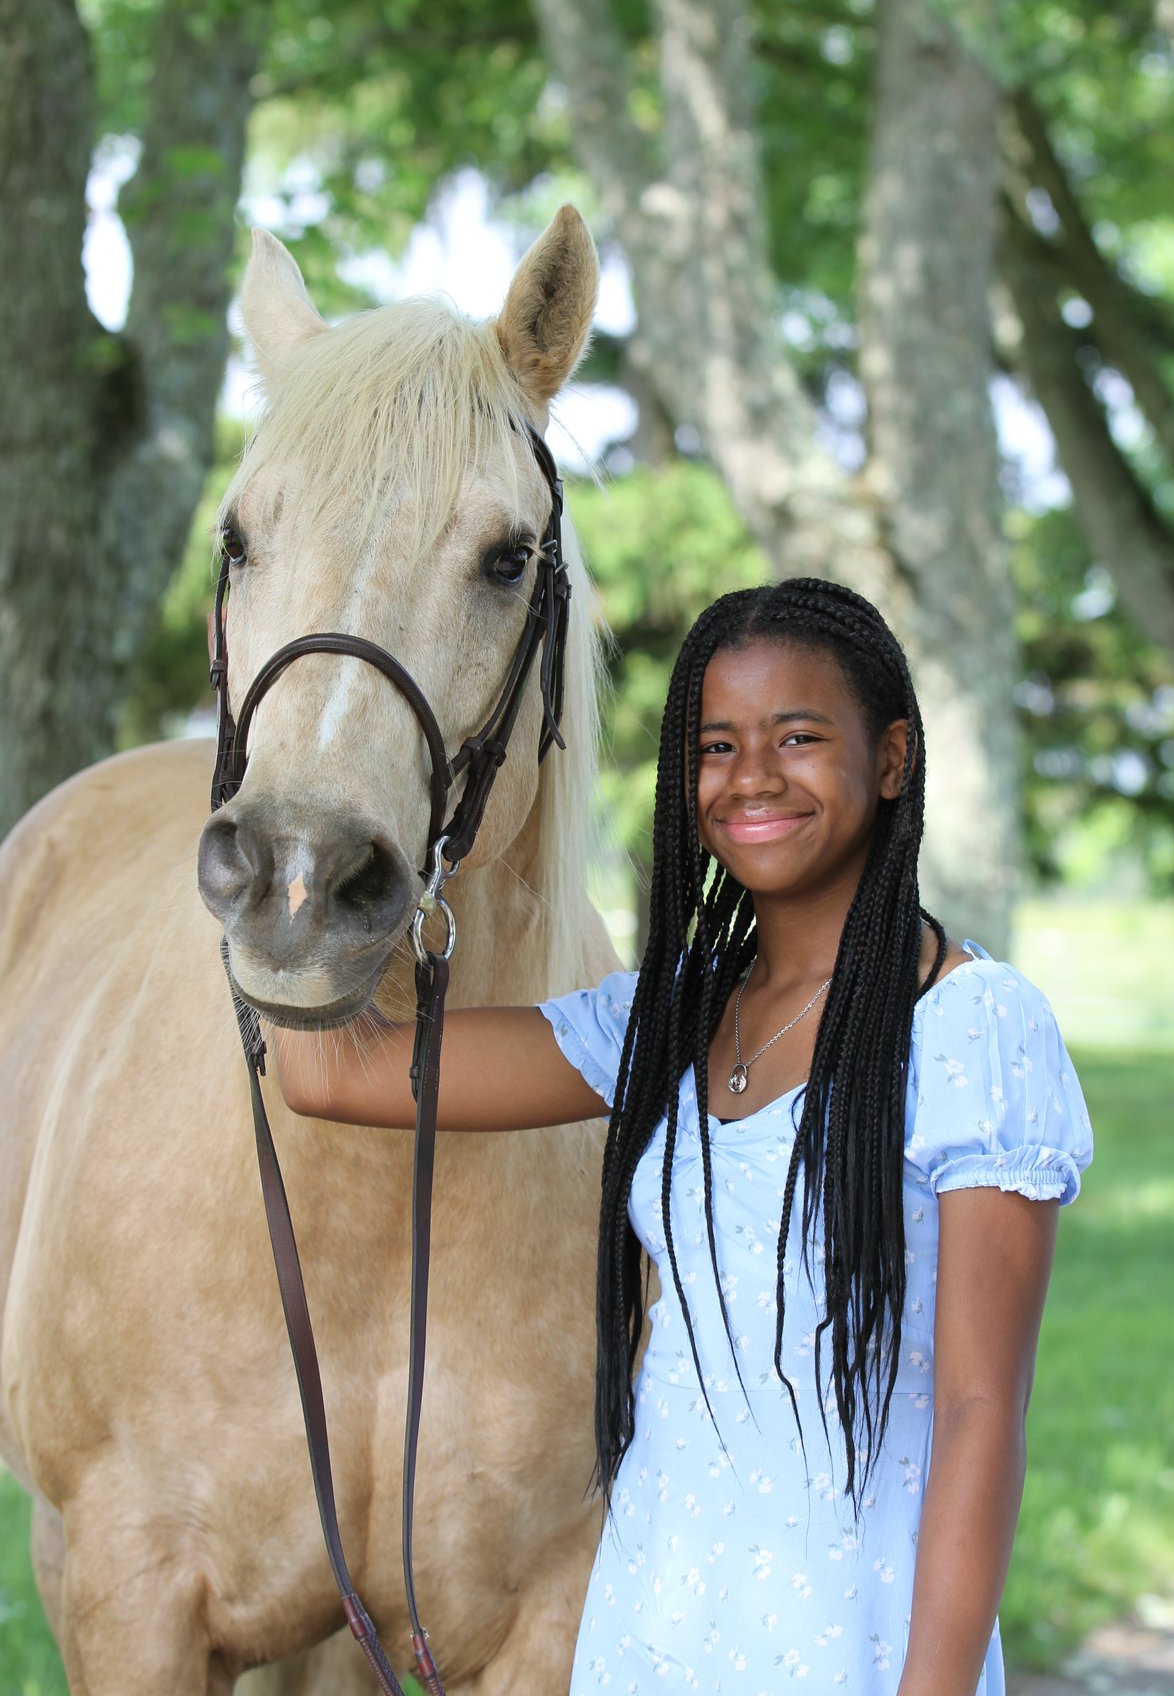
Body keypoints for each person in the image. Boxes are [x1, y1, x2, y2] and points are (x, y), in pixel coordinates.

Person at [275, 577, 1093, 1696]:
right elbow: (327, 1070)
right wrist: (309, 829)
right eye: (716, 744)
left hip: (850, 1645)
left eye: (798, 736)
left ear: (893, 758)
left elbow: (976, 1410)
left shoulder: (972, 1027)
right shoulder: (665, 1018)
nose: (752, 774)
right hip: (648, 1633)